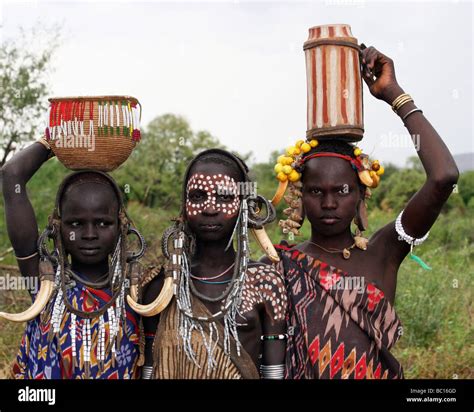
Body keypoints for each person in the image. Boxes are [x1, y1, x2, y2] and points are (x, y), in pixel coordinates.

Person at [264, 46, 459, 379]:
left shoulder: (384, 251)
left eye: (341, 191)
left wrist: (394, 95)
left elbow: (443, 177)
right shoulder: (280, 264)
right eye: (316, 192)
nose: (328, 203)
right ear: (299, 195)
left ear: (360, 194)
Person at [137, 149, 288, 379]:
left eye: (225, 197)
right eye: (197, 196)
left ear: (243, 204)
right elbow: (150, 369)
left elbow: (274, 372)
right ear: (184, 205)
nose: (210, 208)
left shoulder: (265, 284)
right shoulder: (162, 287)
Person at [1, 140, 145, 379]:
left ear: (122, 227)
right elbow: (11, 175)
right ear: (57, 228)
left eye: (103, 223)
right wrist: (56, 140)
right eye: (76, 224)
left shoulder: (138, 292)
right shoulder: (44, 285)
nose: (89, 234)